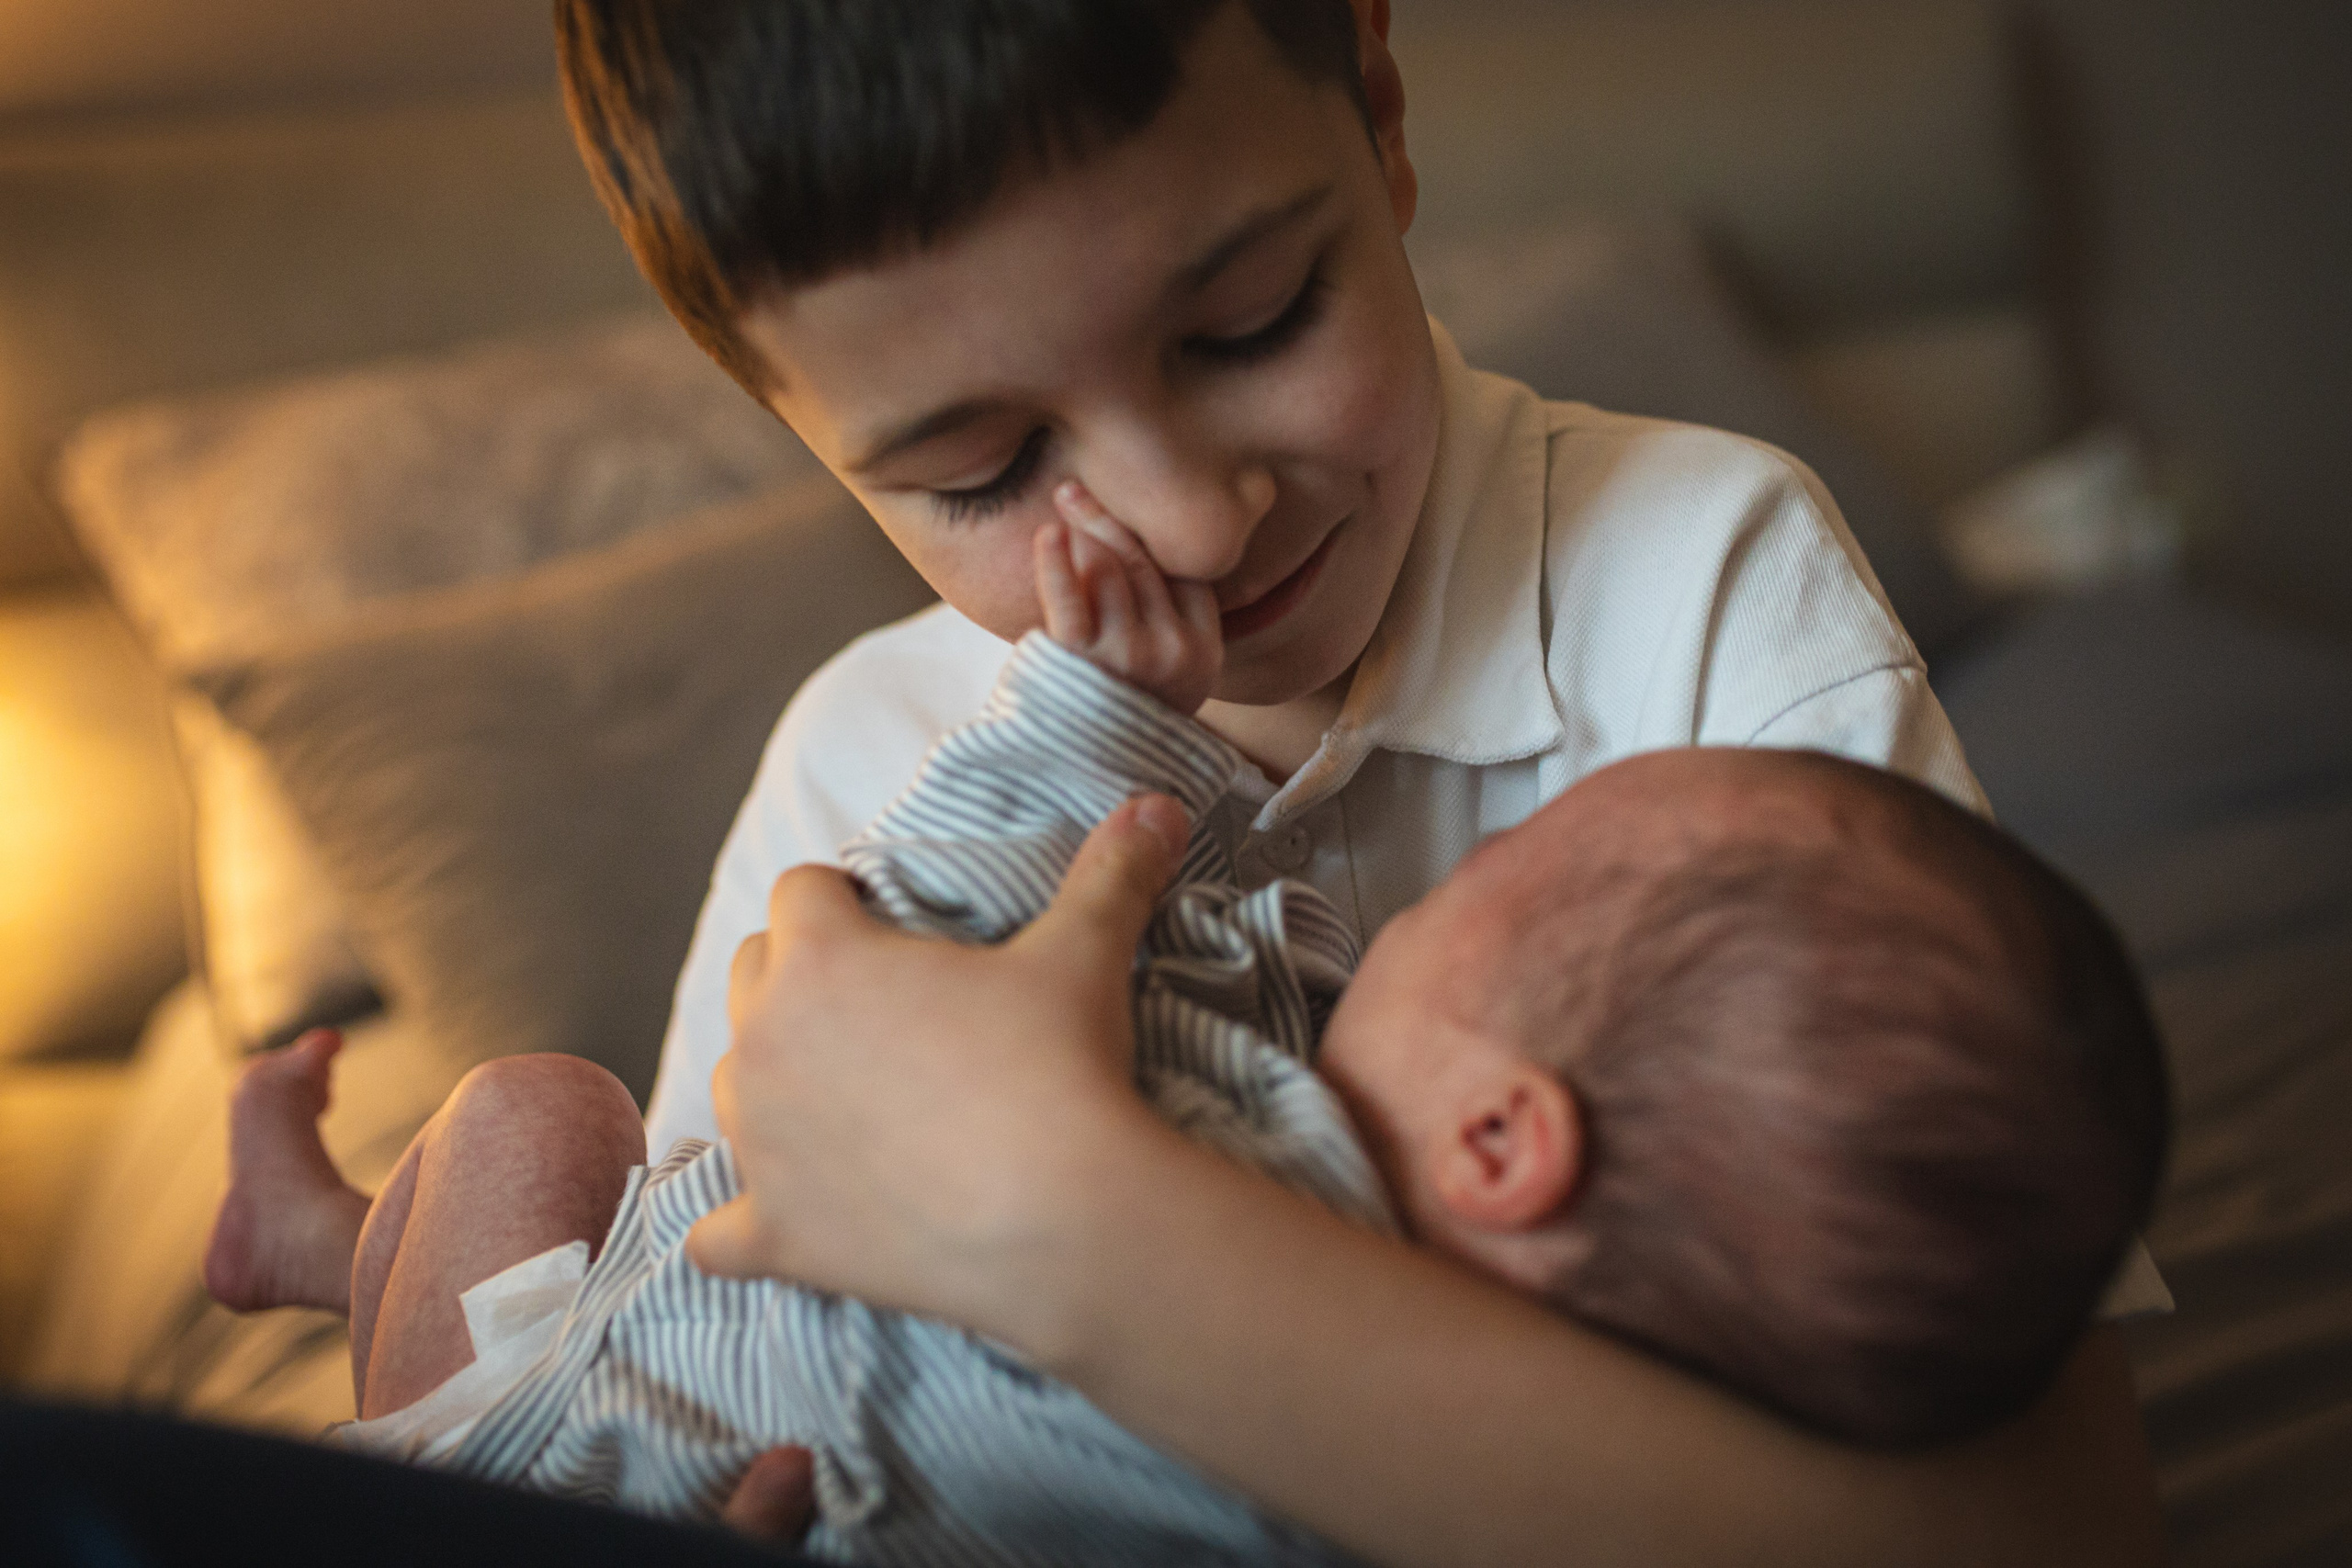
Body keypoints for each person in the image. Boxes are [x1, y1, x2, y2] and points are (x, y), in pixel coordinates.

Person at [549, 0, 2168, 1557]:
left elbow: (2061, 1537)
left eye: (1253, 323)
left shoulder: (1701, 577)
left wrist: (1055, 1211)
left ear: (1380, 114)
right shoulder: (864, 757)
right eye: (989, 471)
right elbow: (658, 1355)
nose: (1192, 527)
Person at [205, 504, 2164, 1559]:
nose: (1171, 495)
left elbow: (891, 979)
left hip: (574, 1461)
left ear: (1502, 1140)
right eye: (979, 459)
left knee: (535, 1116)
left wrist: (1100, 725)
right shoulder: (1456, 1456)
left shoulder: (1274, 1172)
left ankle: (347, 1270)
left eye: (1487, 880)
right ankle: (333, 1244)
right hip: (682, 1394)